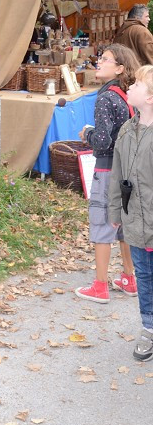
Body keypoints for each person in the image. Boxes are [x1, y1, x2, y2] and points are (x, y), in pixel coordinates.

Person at [75, 43, 140, 304]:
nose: (99, 62)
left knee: (102, 222)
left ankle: (100, 285)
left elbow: (102, 141)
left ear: (120, 68)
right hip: (127, 170)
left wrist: (87, 133)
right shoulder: (127, 96)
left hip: (106, 169)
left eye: (105, 59)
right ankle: (129, 277)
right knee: (123, 224)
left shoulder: (104, 98)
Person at [108, 65, 153, 361]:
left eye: (137, 84)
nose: (130, 87)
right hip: (135, 221)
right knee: (145, 276)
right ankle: (148, 328)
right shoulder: (126, 130)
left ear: (150, 98)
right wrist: (114, 211)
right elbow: (116, 174)